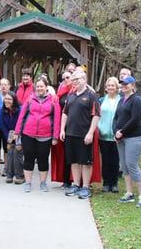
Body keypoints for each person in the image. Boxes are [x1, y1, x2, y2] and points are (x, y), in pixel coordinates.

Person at [14, 77, 60, 193]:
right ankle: (28, 182)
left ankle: (43, 183)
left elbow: (57, 119)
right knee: (28, 158)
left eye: (42, 86)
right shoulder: (30, 99)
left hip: (45, 135)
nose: (39, 88)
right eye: (38, 86)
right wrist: (17, 132)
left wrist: (55, 136)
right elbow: (22, 116)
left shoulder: (53, 100)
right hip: (28, 134)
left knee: (43, 159)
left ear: (46, 87)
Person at [60, 70, 100, 200]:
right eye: (74, 79)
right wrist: (62, 130)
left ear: (84, 79)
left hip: (84, 135)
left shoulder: (91, 96)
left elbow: (96, 116)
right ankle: (76, 184)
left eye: (78, 79)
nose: (75, 81)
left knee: (85, 162)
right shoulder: (70, 95)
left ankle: (86, 187)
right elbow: (65, 113)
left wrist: (90, 133)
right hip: (70, 134)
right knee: (74, 161)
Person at [114, 75, 141, 208]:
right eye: (122, 84)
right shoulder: (121, 100)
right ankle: (129, 193)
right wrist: (115, 131)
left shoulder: (137, 99)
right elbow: (116, 117)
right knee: (124, 165)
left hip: (135, 136)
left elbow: (135, 118)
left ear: (133, 85)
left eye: (126, 84)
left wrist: (122, 131)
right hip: (121, 137)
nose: (124, 86)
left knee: (132, 164)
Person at [98, 77, 121, 193]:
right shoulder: (101, 100)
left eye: (113, 85)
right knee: (106, 159)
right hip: (103, 135)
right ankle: (106, 183)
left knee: (115, 160)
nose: (111, 87)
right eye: (109, 85)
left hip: (116, 136)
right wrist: (99, 127)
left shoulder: (121, 100)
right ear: (106, 88)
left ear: (117, 87)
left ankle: (114, 183)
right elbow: (97, 115)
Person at [51, 71, 73, 188]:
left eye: (68, 77)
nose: (65, 80)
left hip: (74, 127)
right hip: (62, 127)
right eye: (63, 78)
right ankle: (66, 180)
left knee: (72, 155)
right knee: (63, 155)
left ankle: (75, 180)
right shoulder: (61, 93)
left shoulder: (76, 92)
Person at [0, 92, 24, 184]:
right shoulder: (3, 110)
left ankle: (20, 176)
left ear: (14, 100)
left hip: (19, 133)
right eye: (6, 99)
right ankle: (9, 175)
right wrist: (8, 137)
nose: (7, 101)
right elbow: (2, 124)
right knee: (9, 153)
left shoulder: (20, 109)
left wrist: (16, 135)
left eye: (9, 99)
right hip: (8, 134)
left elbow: (21, 123)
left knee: (17, 153)